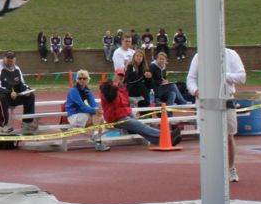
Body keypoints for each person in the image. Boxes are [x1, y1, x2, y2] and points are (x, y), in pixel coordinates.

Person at [186, 48, 246, 182]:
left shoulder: (231, 54)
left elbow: (242, 77)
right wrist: (196, 91)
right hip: (206, 100)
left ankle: (230, 168)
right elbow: (191, 78)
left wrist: (223, 75)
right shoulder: (199, 56)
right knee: (208, 136)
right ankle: (211, 169)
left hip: (226, 98)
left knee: (229, 136)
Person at [99, 69, 180, 146]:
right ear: (114, 76)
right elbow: (110, 99)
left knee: (140, 127)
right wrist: (115, 85)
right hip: (114, 117)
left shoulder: (123, 88)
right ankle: (167, 135)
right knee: (139, 126)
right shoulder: (106, 87)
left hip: (124, 114)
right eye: (118, 76)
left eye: (122, 77)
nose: (120, 79)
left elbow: (125, 103)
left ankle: (161, 141)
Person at [0, 51, 37, 135]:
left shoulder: (17, 69)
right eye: (8, 58)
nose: (10, 60)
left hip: (11, 96)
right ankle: (3, 126)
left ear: (15, 59)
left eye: (12, 58)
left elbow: (22, 83)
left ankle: (27, 123)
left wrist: (27, 90)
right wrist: (10, 92)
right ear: (4, 58)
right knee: (1, 98)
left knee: (30, 96)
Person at [65, 70, 109, 151]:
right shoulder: (73, 91)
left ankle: (97, 139)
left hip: (83, 114)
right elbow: (82, 106)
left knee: (100, 117)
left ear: (87, 80)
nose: (82, 80)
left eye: (84, 78)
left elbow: (93, 103)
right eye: (80, 78)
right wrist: (95, 111)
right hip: (74, 116)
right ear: (77, 80)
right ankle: (97, 140)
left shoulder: (87, 91)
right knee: (98, 117)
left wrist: (97, 109)